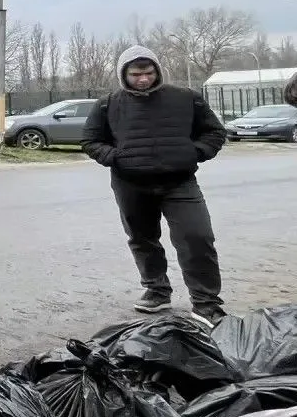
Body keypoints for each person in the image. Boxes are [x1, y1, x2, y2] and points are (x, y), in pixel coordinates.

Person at [82, 45, 229, 327]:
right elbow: (91, 140)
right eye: (136, 75)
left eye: (148, 73)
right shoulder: (108, 104)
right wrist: (115, 157)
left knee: (197, 236)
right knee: (142, 238)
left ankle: (206, 303)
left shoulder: (186, 98)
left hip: (179, 183)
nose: (143, 79)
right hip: (131, 185)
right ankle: (157, 290)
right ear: (123, 74)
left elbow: (214, 132)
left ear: (158, 71)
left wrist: (194, 153)